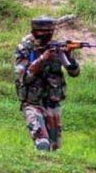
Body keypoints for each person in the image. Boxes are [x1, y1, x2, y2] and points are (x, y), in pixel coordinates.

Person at [14, 16, 80, 151]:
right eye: (43, 32)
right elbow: (24, 78)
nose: (47, 35)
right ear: (35, 31)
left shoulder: (56, 47)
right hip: (32, 102)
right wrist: (43, 59)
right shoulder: (26, 48)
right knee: (42, 143)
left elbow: (74, 73)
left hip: (52, 103)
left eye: (50, 31)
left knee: (55, 147)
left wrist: (67, 56)